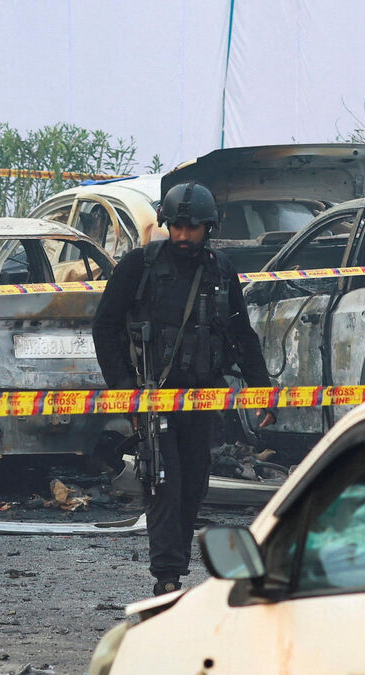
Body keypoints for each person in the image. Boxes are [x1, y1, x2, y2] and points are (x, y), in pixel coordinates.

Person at [92, 181, 276, 596]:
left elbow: (242, 335)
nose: (182, 235)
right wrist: (124, 389)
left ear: (208, 228)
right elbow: (105, 327)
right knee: (162, 482)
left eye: (192, 228)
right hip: (153, 396)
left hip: (202, 397)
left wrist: (262, 390)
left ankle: (175, 568)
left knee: (194, 484)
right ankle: (167, 576)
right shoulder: (139, 266)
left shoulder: (220, 271)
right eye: (176, 226)